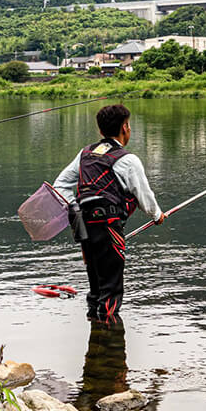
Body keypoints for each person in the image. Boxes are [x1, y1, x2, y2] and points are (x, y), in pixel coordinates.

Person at [54, 104, 164, 322]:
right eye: (129, 125)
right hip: (109, 226)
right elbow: (143, 195)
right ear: (125, 128)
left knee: (96, 288)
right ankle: (109, 344)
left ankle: (96, 341)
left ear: (100, 130)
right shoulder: (127, 159)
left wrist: (78, 206)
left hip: (83, 226)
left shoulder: (85, 153)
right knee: (111, 289)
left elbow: (60, 186)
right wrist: (157, 216)